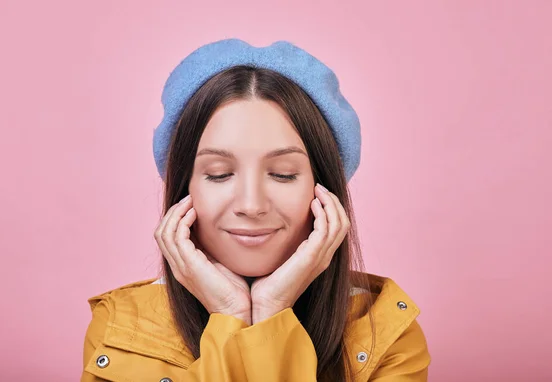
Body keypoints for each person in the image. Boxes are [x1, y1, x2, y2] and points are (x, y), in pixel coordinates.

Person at [81, 38, 431, 382]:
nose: (251, 205)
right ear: (183, 189)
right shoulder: (119, 333)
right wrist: (229, 315)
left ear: (324, 191)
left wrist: (272, 313)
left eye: (283, 174)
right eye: (219, 174)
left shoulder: (386, 335)